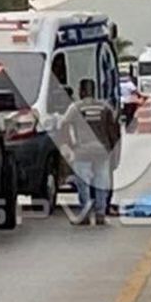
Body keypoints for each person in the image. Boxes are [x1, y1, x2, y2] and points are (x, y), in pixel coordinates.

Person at [60, 78, 121, 225]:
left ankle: (85, 214)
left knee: (83, 183)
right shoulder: (105, 107)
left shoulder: (75, 107)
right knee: (101, 182)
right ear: (94, 91)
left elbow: (64, 124)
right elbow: (114, 130)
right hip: (102, 151)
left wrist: (69, 144)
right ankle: (100, 214)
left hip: (83, 151)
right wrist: (112, 149)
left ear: (81, 91)